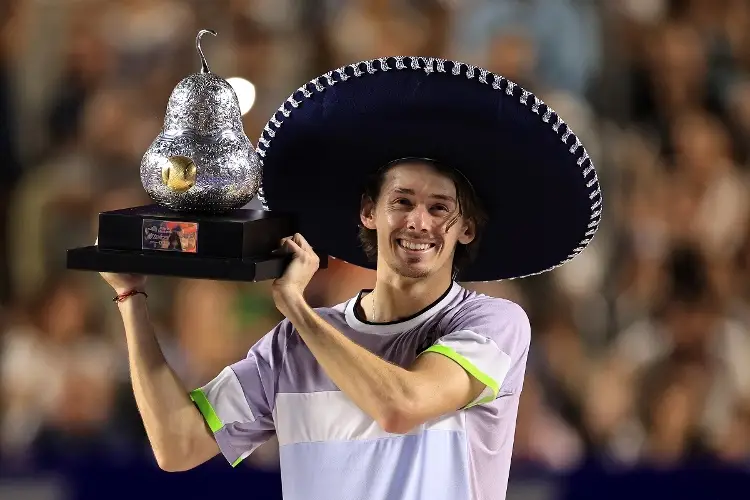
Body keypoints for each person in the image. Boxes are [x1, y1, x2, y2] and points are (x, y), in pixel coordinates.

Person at [100, 56, 601, 500]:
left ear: (465, 228)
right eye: (401, 202)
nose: (418, 223)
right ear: (368, 212)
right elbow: (177, 444)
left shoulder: (494, 322)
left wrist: (297, 309)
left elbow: (401, 406)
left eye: (439, 208)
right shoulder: (290, 349)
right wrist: (131, 296)